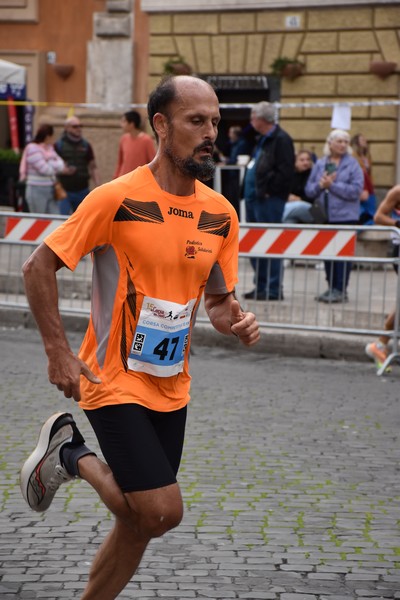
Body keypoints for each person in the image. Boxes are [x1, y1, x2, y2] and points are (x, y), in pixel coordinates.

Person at [19, 75, 260, 599]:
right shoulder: (117, 199)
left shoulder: (221, 215)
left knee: (138, 524)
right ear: (161, 125)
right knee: (160, 510)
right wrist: (58, 352)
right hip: (111, 378)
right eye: (197, 121)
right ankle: (69, 455)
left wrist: (235, 320)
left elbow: (217, 301)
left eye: (215, 121)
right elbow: (37, 267)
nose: (210, 132)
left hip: (171, 383)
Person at [243, 101, 295, 301]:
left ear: (261, 119)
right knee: (257, 244)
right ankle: (261, 286)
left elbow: (285, 172)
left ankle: (273, 288)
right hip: (254, 199)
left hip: (268, 200)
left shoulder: (281, 139)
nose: (251, 121)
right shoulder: (263, 139)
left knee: (271, 242)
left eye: (253, 117)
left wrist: (268, 191)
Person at [305, 129, 364, 303]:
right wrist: (321, 185)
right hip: (325, 216)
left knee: (343, 257)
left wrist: (333, 185)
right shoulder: (321, 163)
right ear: (330, 143)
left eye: (346, 142)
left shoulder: (353, 165)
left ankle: (341, 289)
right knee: (328, 255)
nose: (343, 145)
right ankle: (331, 287)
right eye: (339, 141)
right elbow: (309, 190)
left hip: (346, 217)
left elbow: (356, 191)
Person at [365, 184, 400, 371]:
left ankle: (380, 345)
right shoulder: (397, 191)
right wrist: (396, 223)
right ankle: (380, 345)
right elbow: (378, 216)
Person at [19, 124, 72, 215]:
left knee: (55, 218)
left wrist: (50, 163)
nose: (54, 138)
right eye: (52, 136)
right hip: (36, 189)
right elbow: (44, 169)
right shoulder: (32, 149)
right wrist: (55, 165)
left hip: (51, 188)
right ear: (48, 136)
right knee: (39, 219)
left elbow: (61, 164)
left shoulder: (50, 149)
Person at [55, 116, 100, 215]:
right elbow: (53, 166)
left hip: (82, 190)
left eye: (80, 126)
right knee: (63, 221)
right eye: (75, 126)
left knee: (82, 219)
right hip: (64, 191)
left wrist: (98, 186)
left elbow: (93, 166)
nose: (79, 129)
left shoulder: (86, 145)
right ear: (67, 128)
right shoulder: (59, 145)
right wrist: (63, 171)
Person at [113, 110, 157, 178]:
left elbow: (153, 162)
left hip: (139, 180)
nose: (121, 125)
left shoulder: (146, 140)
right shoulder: (124, 139)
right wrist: (116, 176)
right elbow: (120, 162)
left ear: (131, 124)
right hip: (124, 179)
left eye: (124, 121)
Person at [282, 149, 314, 224]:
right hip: (291, 206)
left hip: (310, 207)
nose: (305, 162)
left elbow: (315, 195)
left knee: (295, 207)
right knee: (288, 221)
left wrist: (300, 199)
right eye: (302, 160)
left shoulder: (313, 174)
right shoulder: (290, 175)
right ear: (295, 162)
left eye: (308, 160)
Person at [350, 133, 376, 225]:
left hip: (368, 185)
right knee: (362, 211)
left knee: (370, 210)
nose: (365, 141)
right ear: (356, 143)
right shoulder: (353, 157)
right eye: (362, 140)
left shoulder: (367, 157)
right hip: (360, 186)